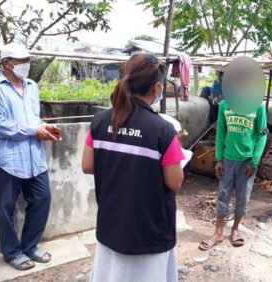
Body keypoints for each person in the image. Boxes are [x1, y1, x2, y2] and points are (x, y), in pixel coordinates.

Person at [81, 53, 185, 282]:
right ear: (157, 87)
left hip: (111, 225)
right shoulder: (163, 130)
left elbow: (88, 165)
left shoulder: (99, 122)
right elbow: (174, 182)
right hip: (149, 231)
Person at [0, 43, 58, 271]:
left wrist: (45, 127)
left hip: (34, 157)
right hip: (8, 159)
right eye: (22, 60)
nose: (27, 64)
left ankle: (30, 246)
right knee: (6, 208)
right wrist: (34, 130)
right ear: (7, 63)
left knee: (42, 199)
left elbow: (33, 119)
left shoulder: (32, 86)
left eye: (28, 60)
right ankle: (13, 252)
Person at [199, 98, 267, 250]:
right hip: (228, 159)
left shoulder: (258, 105)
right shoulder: (225, 104)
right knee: (223, 194)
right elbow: (221, 133)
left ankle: (235, 229)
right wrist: (218, 159)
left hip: (247, 161)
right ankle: (218, 232)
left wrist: (254, 161)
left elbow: (262, 135)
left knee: (243, 197)